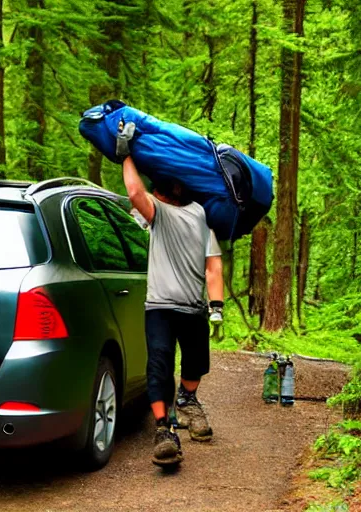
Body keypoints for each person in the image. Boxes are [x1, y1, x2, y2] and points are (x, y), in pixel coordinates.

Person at [116, 121, 225, 466]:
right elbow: (134, 194)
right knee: (159, 365)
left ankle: (188, 400)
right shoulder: (156, 214)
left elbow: (213, 266)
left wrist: (216, 305)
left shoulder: (201, 216)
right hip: (160, 307)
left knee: (196, 363)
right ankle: (163, 429)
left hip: (194, 308)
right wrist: (126, 155)